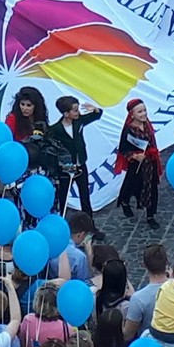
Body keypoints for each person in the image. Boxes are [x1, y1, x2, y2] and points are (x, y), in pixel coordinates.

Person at [48, 95, 103, 239]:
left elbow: (97, 116)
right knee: (63, 197)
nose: (77, 112)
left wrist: (95, 109)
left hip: (80, 165)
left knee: (85, 196)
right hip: (67, 167)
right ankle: (60, 227)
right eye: (74, 110)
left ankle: (91, 228)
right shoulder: (56, 129)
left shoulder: (79, 121)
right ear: (66, 113)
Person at [113, 98, 161, 227]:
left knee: (152, 189)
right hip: (136, 166)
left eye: (144, 110)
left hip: (150, 164)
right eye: (140, 112)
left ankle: (150, 216)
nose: (144, 114)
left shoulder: (147, 125)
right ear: (132, 114)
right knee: (132, 186)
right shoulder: (129, 130)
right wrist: (134, 155)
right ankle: (125, 201)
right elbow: (123, 149)